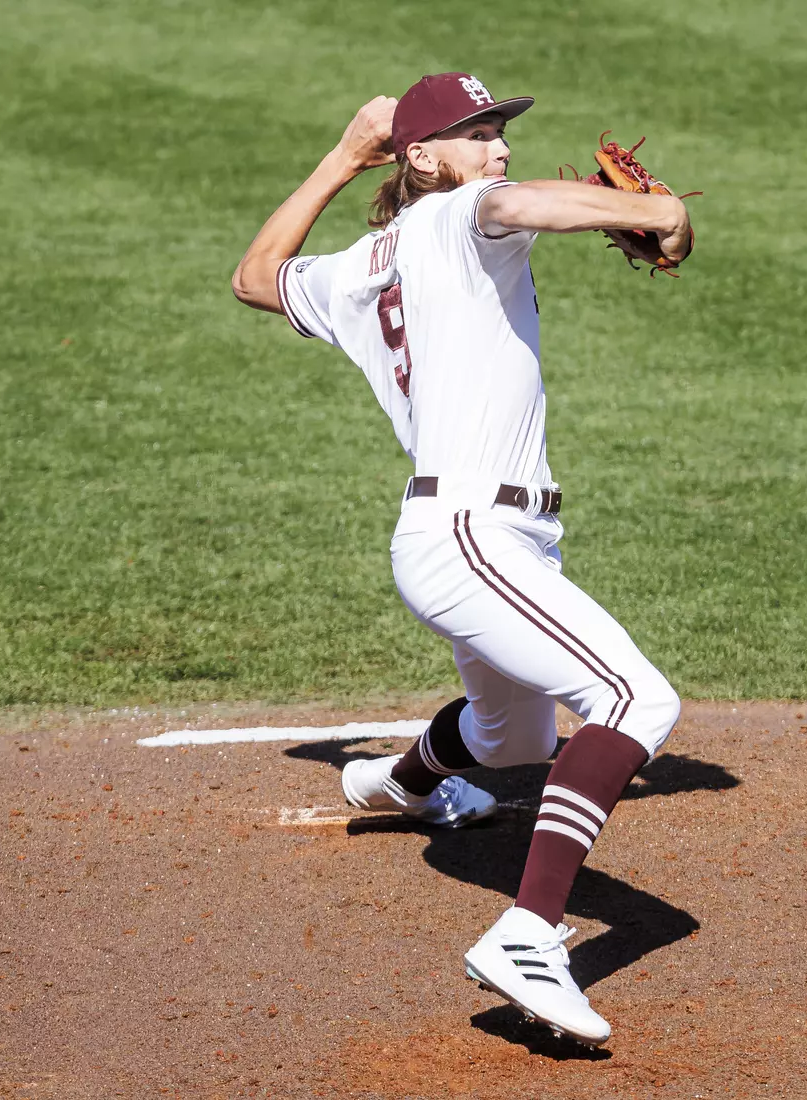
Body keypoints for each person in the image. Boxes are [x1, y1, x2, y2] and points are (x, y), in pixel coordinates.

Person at [231, 72, 693, 1046]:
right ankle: (527, 935)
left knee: (515, 742)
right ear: (426, 158)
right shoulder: (455, 216)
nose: (500, 147)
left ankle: (397, 782)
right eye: (477, 132)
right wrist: (656, 205)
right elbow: (518, 202)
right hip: (472, 535)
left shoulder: (364, 263)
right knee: (635, 702)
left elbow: (254, 274)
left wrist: (341, 155)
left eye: (499, 129)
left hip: (465, 536)